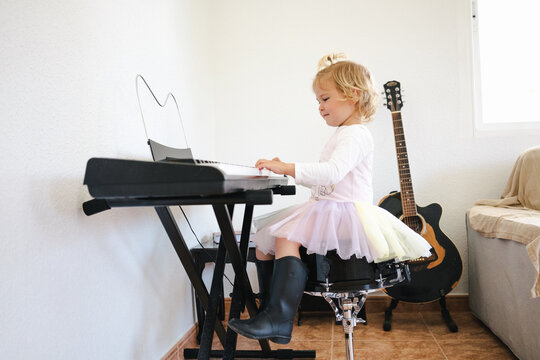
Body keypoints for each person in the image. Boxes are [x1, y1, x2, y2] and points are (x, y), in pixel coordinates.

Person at [227, 53, 432, 344]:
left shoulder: (356, 135)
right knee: (265, 241)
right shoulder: (344, 133)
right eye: (318, 102)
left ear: (353, 95)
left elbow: (331, 172)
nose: (320, 108)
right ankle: (270, 315)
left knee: (284, 237)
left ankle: (278, 319)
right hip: (328, 209)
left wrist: (286, 168)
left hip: (345, 214)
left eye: (325, 99)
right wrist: (286, 167)